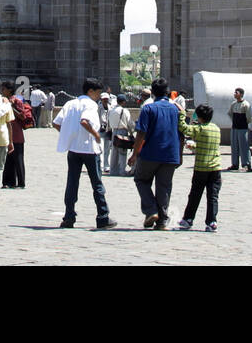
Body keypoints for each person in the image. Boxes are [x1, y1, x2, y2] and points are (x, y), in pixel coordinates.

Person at [54, 76, 116, 229]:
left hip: (73, 149)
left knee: (72, 183)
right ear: (90, 91)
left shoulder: (70, 103)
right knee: (97, 184)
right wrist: (95, 135)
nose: (99, 96)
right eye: (98, 92)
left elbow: (56, 123)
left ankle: (69, 217)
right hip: (89, 149)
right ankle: (103, 217)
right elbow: (84, 121)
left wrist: (68, 135)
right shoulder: (90, 105)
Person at [131, 78, 181, 230]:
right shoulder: (175, 110)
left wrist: (134, 154)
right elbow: (181, 132)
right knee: (164, 187)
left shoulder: (148, 109)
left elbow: (141, 133)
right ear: (167, 92)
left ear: (152, 93)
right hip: (170, 154)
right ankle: (162, 221)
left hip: (151, 153)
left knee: (141, 179)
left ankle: (151, 210)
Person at [177, 104, 222, 231]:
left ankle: (188, 219)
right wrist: (196, 147)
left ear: (200, 117)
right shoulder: (216, 128)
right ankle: (212, 221)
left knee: (195, 194)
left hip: (201, 168)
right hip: (215, 168)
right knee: (213, 196)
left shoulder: (199, 129)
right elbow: (209, 145)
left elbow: (183, 128)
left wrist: (182, 114)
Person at [3, 86, 31, 188]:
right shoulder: (5, 100)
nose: (2, 91)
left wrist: (11, 108)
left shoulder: (17, 101)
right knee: (8, 159)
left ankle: (21, 182)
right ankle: (8, 182)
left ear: (9, 90)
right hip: (6, 133)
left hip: (16, 133)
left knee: (18, 159)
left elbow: (22, 116)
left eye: (4, 89)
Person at [108, 94, 134, 177]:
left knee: (114, 152)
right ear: (123, 102)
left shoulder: (112, 110)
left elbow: (108, 122)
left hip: (114, 131)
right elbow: (130, 123)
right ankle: (122, 171)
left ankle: (113, 170)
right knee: (122, 152)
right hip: (122, 132)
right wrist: (132, 132)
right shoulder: (124, 111)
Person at [227, 87, 250, 171]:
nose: (235, 94)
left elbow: (248, 117)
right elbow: (230, 113)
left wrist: (246, 124)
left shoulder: (246, 104)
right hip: (234, 128)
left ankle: (246, 164)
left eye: (236, 92)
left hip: (243, 128)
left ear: (241, 94)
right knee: (234, 146)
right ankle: (235, 164)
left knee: (244, 146)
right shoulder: (233, 104)